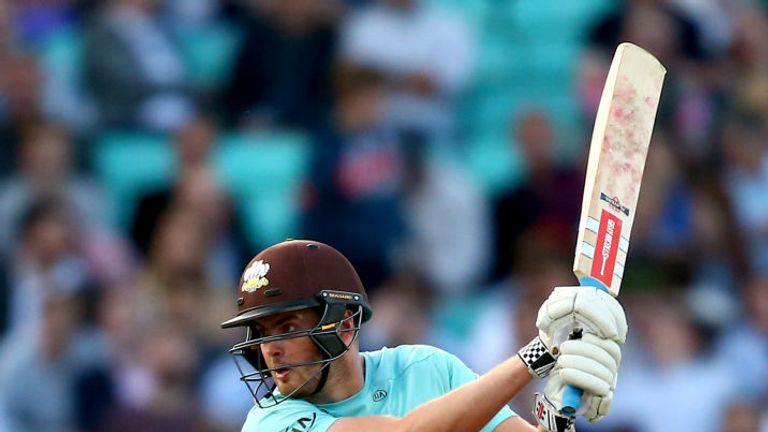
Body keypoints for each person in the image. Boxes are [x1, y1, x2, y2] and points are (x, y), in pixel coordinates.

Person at [221, 239, 627, 431]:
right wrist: (542, 354)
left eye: (286, 328)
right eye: (262, 333)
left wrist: (557, 422)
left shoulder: (426, 369)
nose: (269, 350)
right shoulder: (269, 422)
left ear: (343, 323)